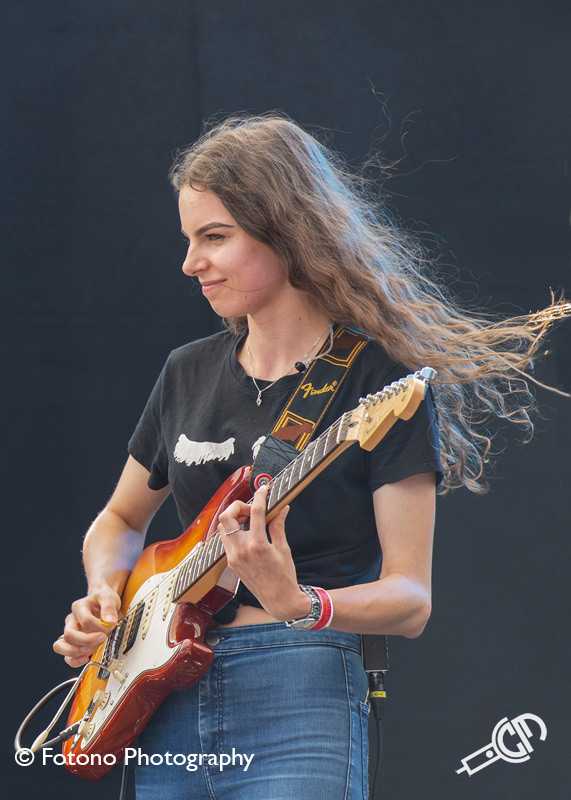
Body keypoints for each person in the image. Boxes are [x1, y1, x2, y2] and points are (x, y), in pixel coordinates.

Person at [53, 112, 568, 799]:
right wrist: (104, 596)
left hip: (299, 686)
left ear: (286, 231)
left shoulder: (377, 381)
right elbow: (119, 520)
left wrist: (299, 603)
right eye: (189, 239)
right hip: (162, 689)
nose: (190, 263)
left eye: (214, 237)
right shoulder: (185, 371)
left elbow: (410, 601)